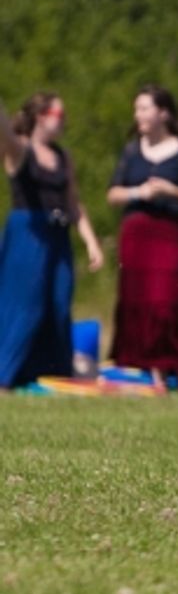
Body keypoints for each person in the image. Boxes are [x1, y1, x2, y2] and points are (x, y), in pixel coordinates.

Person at [0, 93, 104, 388]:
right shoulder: (20, 151)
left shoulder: (62, 156)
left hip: (59, 235)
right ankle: (5, 376)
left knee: (59, 302)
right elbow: (5, 132)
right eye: (58, 115)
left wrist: (91, 242)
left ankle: (54, 371)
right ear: (40, 117)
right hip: (27, 235)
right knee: (25, 305)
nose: (63, 121)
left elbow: (73, 203)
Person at [107, 85, 178, 391]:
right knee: (138, 299)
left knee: (167, 298)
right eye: (137, 109)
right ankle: (153, 371)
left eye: (145, 108)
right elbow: (113, 193)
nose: (139, 115)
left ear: (163, 113)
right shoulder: (132, 150)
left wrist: (171, 191)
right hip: (136, 233)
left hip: (170, 232)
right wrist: (140, 192)